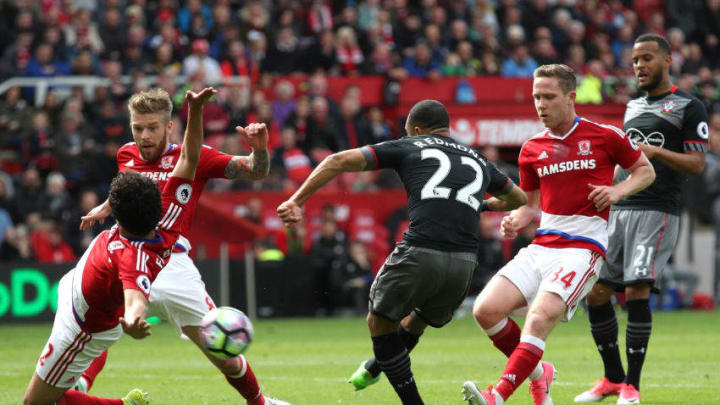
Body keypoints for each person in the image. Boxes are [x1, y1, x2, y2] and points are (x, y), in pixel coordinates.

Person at [278, 99, 528, 405]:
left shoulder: (410, 145)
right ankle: (373, 368)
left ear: (417, 130)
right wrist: (482, 204)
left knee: (379, 322)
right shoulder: (476, 157)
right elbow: (517, 197)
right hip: (464, 263)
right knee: (415, 321)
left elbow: (336, 161)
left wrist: (296, 200)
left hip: (421, 250)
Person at [79, 88, 288, 405]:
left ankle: (259, 402)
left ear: (169, 127)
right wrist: (106, 207)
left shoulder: (196, 156)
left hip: (173, 262)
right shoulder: (125, 154)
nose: (144, 136)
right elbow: (129, 188)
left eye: (152, 128)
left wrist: (260, 151)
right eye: (138, 128)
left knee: (222, 349)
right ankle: (77, 389)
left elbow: (256, 171)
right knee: (96, 333)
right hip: (125, 256)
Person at [461, 64, 656, 405]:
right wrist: (515, 219)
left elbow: (645, 171)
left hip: (582, 250)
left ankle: (497, 396)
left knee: (538, 317)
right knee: (485, 310)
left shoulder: (605, 136)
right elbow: (528, 204)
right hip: (542, 246)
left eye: (549, 97)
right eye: (537, 97)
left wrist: (616, 191)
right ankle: (541, 374)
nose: (541, 104)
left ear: (570, 97)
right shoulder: (531, 148)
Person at [22, 88, 213, 405]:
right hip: (76, 294)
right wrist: (195, 111)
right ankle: (85, 383)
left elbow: (135, 294)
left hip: (82, 326)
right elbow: (189, 158)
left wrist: (135, 318)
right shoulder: (165, 211)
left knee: (39, 403)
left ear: (122, 214)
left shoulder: (133, 254)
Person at [574, 34, 709, 405]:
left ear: (667, 60)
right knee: (597, 291)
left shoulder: (689, 106)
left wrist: (655, 150)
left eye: (647, 58)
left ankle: (632, 387)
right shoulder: (632, 106)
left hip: (657, 211)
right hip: (619, 210)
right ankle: (612, 379)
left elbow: (697, 164)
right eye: (635, 61)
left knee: (636, 289)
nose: (639, 66)